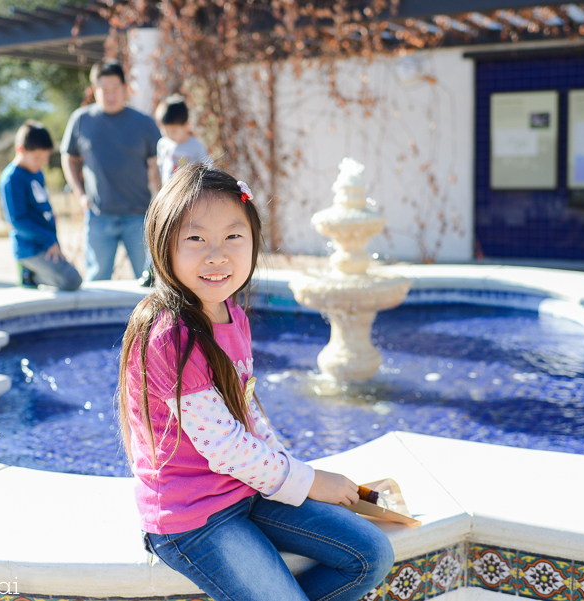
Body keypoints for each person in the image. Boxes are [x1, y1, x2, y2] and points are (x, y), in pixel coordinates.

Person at [116, 164, 394, 601]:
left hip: (246, 491)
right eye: (195, 239)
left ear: (252, 242)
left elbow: (248, 413)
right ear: (162, 245)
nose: (217, 254)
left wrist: (295, 474)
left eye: (233, 236)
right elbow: (224, 446)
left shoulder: (232, 315)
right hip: (193, 518)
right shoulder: (170, 335)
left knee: (370, 554)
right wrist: (309, 481)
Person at [60, 60, 161, 283]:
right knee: (97, 281)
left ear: (125, 88)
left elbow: (160, 162)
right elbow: (68, 157)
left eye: (115, 89)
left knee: (149, 282)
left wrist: (161, 201)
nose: (110, 94)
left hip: (139, 215)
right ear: (94, 90)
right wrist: (80, 195)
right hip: (98, 215)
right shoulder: (81, 120)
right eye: (104, 89)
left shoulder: (143, 122)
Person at [0, 120, 82, 291]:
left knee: (74, 277)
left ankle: (37, 273)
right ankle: (30, 274)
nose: (41, 163)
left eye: (45, 158)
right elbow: (17, 221)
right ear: (20, 149)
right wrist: (48, 241)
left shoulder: (37, 173)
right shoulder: (12, 178)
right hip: (30, 248)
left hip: (47, 243)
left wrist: (55, 243)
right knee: (71, 280)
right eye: (37, 158)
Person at [154, 94, 212, 186]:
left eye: (174, 131)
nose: (169, 135)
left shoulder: (196, 148)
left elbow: (209, 171)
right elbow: (161, 168)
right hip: (169, 194)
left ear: (186, 125)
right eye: (165, 130)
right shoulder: (163, 144)